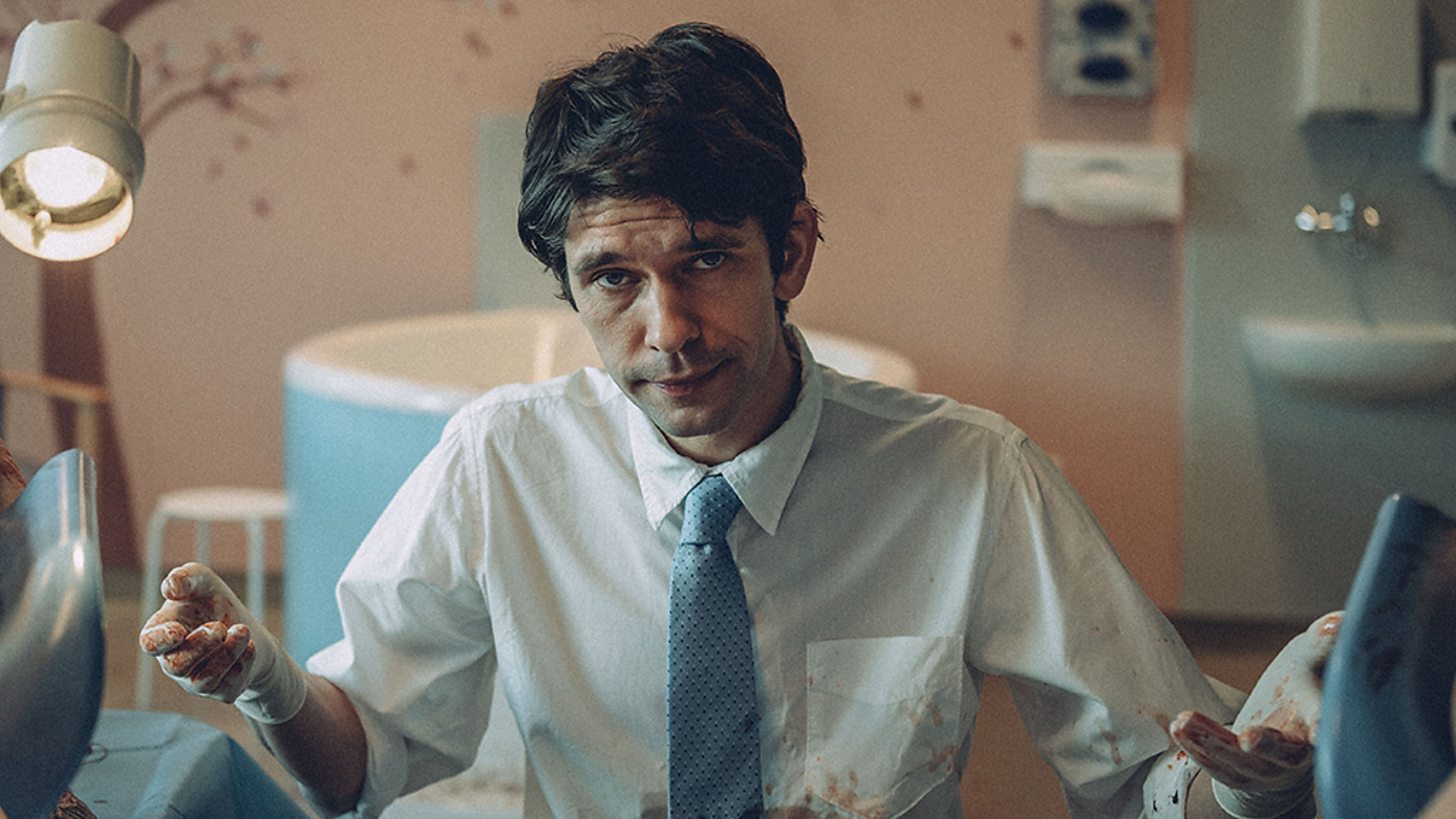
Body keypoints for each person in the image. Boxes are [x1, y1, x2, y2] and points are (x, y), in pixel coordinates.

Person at [140, 22, 1329, 818]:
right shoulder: (500, 460)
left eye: (707, 260)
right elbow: (362, 765)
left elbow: (1145, 776)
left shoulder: (974, 476)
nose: (669, 327)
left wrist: (1247, 783)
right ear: (567, 284)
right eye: (614, 278)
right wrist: (263, 678)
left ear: (791, 251)